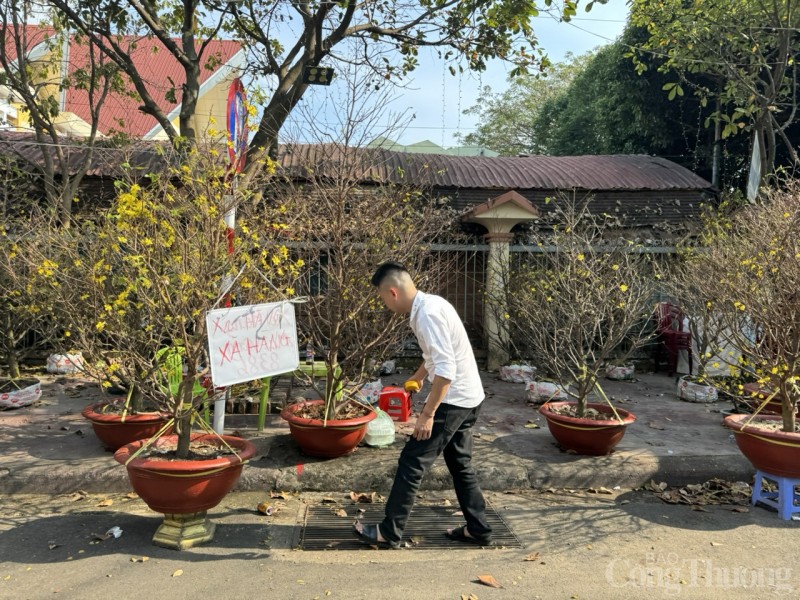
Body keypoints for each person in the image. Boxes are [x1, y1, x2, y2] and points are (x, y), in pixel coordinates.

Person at [353, 261, 492, 548]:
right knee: (460, 464)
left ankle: (389, 532)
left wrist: (427, 415)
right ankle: (478, 528)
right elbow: (437, 355)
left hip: (452, 401)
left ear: (392, 292)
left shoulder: (427, 314)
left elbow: (446, 371)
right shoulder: (430, 304)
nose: (384, 303)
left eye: (381, 297)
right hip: (469, 397)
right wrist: (417, 377)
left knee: (412, 462)